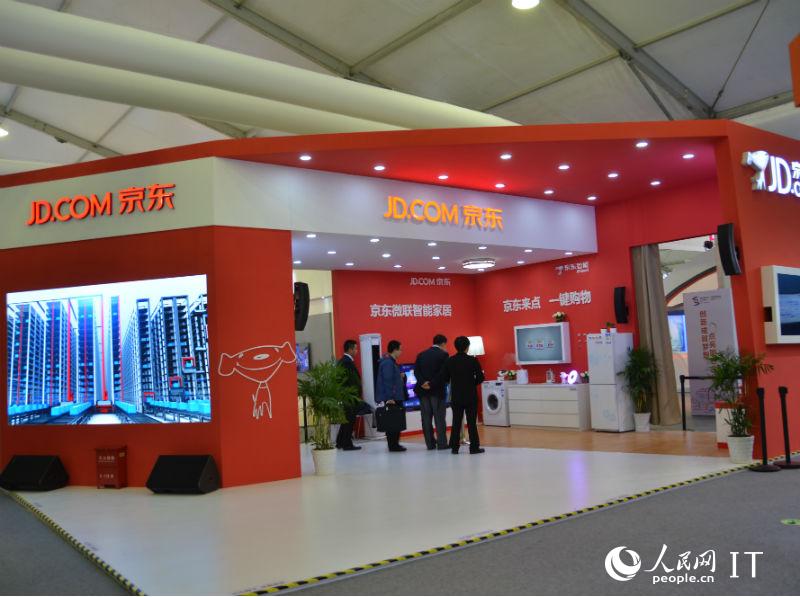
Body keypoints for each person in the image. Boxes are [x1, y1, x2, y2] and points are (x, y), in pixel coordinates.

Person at [436, 336, 485, 454]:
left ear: (455, 347)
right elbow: (480, 377)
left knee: (456, 422)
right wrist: (472, 383)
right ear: (467, 347)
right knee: (472, 423)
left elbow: (444, 378)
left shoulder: (450, 360)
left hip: (456, 396)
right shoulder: (473, 360)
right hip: (471, 396)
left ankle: (454, 448)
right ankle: (474, 448)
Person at [413, 334, 450, 450]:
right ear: (443, 343)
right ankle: (442, 444)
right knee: (439, 418)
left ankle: (430, 444)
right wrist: (432, 384)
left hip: (423, 391)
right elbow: (443, 373)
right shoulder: (444, 355)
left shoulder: (421, 354)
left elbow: (416, 371)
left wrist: (423, 382)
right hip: (437, 391)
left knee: (426, 419)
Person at [375, 339, 406, 452]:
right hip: (393, 397)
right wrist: (390, 398)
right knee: (393, 422)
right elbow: (388, 381)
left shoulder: (390, 362)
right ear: (394, 350)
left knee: (395, 421)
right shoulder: (388, 363)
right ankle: (393, 445)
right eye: (400, 350)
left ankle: (394, 444)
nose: (401, 352)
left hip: (395, 396)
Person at [336, 339, 362, 451]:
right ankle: (347, 444)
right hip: (350, 396)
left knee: (346, 420)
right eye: (355, 348)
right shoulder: (347, 362)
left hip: (347, 396)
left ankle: (340, 442)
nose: (357, 351)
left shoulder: (343, 361)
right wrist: (356, 394)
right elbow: (351, 381)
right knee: (350, 420)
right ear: (350, 349)